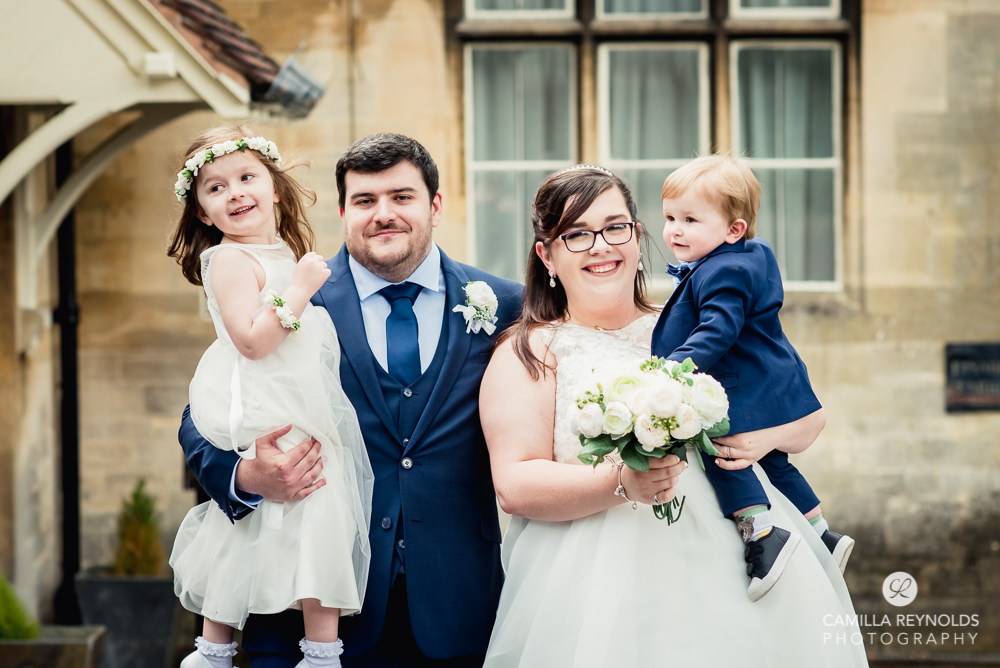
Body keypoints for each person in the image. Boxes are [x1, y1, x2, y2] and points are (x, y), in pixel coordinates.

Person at [479, 165, 868, 667]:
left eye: (615, 227)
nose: (601, 246)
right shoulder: (530, 351)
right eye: (576, 234)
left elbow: (798, 406)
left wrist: (765, 438)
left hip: (729, 567)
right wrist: (621, 482)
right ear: (546, 255)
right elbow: (514, 484)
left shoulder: (697, 330)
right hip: (591, 584)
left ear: (638, 238)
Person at [178, 133, 524, 667]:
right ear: (343, 211)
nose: (383, 214)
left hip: (460, 612)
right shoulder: (295, 296)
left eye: (401, 197)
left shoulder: (505, 305)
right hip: (303, 615)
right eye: (365, 200)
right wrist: (247, 477)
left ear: (435, 204)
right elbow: (211, 407)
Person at [166, 125, 374, 668]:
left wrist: (297, 278)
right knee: (279, 508)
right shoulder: (232, 260)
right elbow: (254, 341)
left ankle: (314, 649)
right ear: (203, 215)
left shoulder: (279, 253)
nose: (234, 192)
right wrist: (302, 287)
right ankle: (226, 647)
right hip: (267, 399)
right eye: (215, 188)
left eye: (246, 177)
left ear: (275, 188)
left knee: (311, 509)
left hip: (294, 395)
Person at [652, 155, 855, 601]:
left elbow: (716, 330)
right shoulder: (750, 255)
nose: (675, 230)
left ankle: (761, 533)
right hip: (771, 379)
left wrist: (674, 368)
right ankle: (822, 533)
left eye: (689, 219)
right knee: (774, 463)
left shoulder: (723, 270)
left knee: (723, 456)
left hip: (739, 384)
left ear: (733, 230)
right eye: (669, 217)